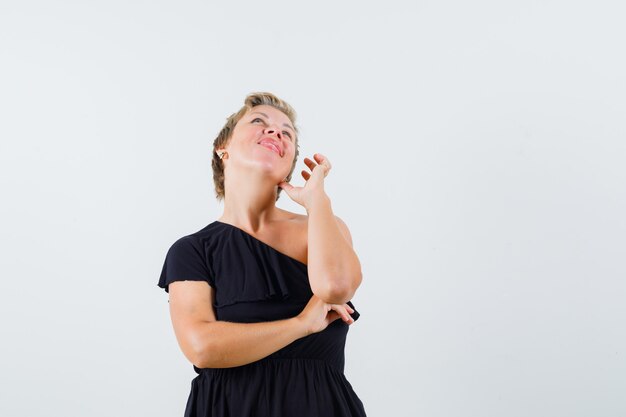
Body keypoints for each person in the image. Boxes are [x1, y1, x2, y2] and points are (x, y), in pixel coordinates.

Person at [158, 92, 367, 416]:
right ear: (222, 148)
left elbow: (336, 287)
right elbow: (201, 347)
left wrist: (318, 201)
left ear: (289, 164)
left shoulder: (323, 225)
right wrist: (301, 324)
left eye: (287, 133)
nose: (276, 132)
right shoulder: (193, 250)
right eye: (259, 122)